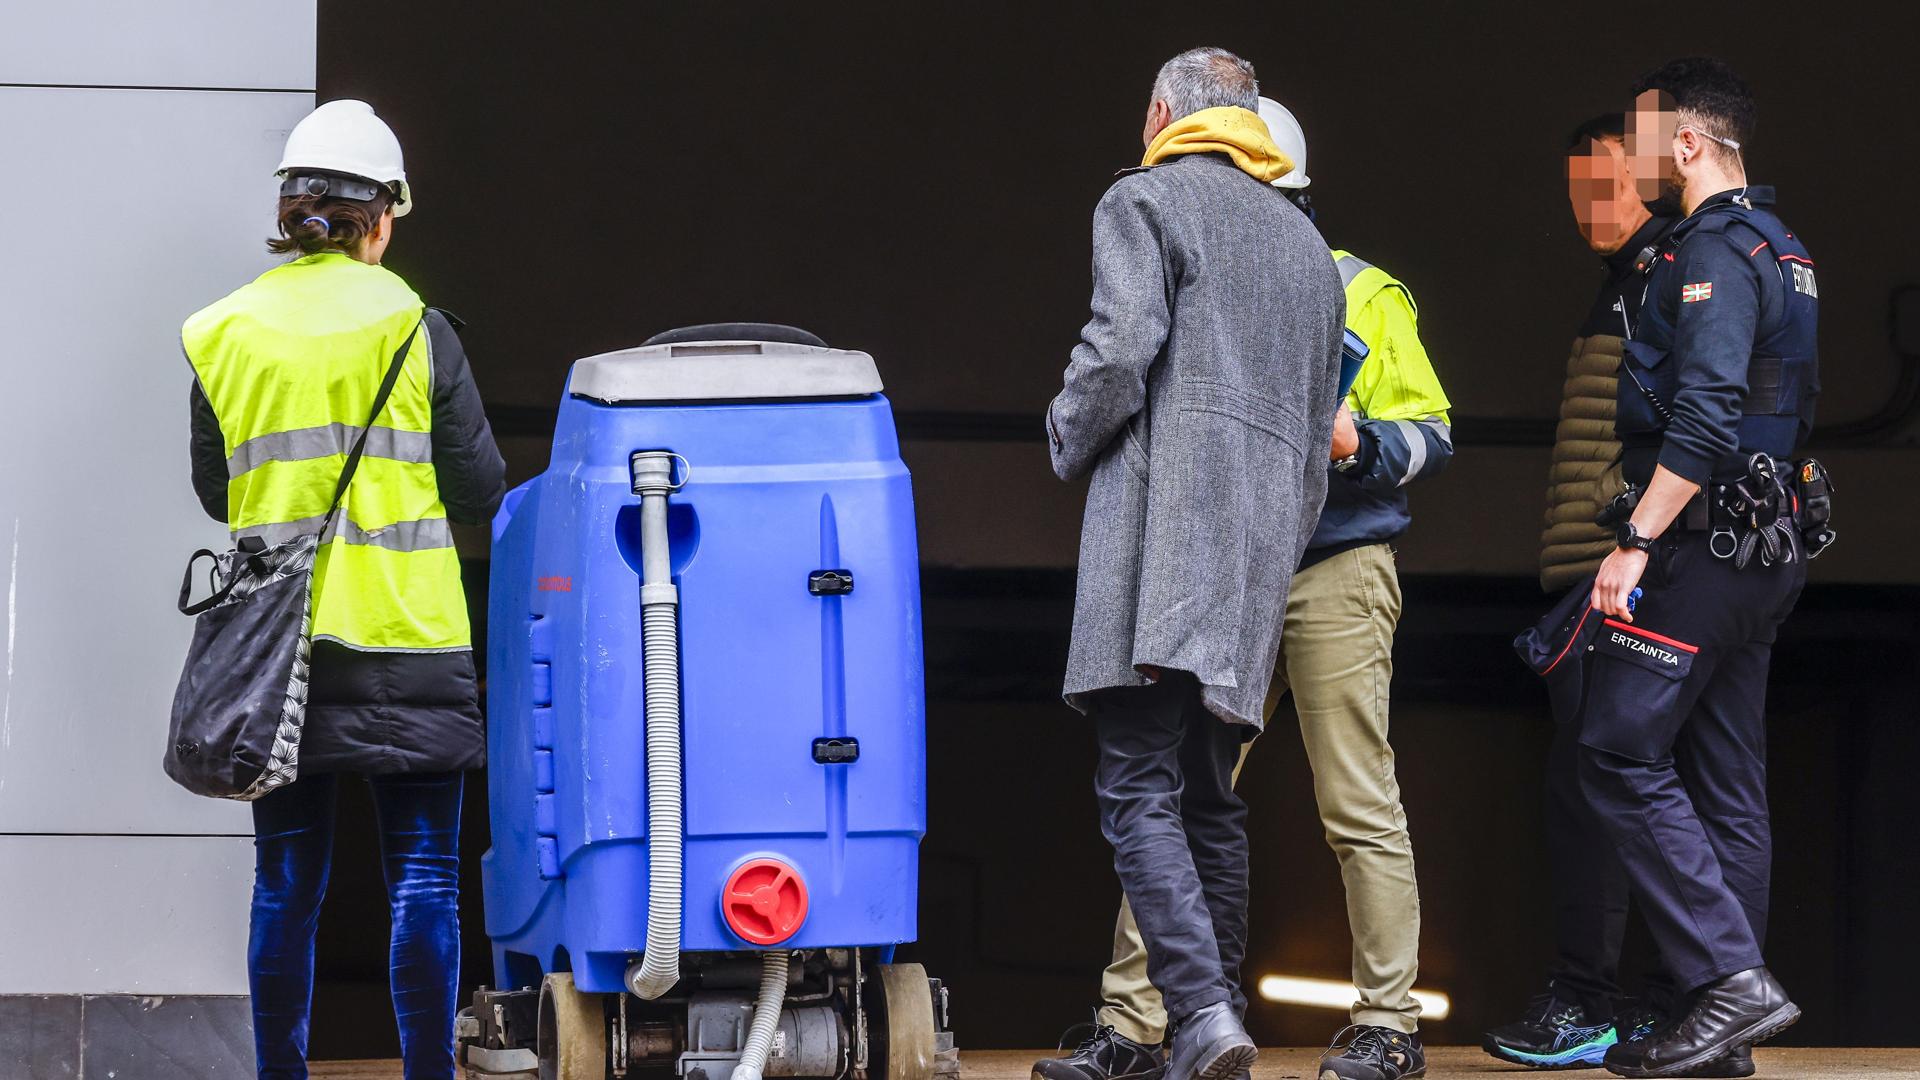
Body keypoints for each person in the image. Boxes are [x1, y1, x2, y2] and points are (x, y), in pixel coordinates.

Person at [1035, 95, 1449, 1080]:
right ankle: (1140, 1025)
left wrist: (1361, 445)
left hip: (1335, 566)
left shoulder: (1356, 287)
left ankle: (1388, 1021)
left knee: (1352, 794)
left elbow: (1434, 432)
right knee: (1184, 791)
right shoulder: (1213, 261)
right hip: (1235, 565)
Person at [182, 99, 506, 1080]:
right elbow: (480, 488)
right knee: (424, 883)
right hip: (411, 636)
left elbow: (214, 489)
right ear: (381, 218)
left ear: (292, 213)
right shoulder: (417, 326)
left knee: (285, 886)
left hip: (279, 653)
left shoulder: (222, 332)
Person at [1575, 59, 1817, 1078]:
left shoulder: (1715, 245)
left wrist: (1634, 543)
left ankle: (1726, 983)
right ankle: (1716, 1029)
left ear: (1686, 144)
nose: (1631, 161)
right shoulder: (1788, 247)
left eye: (1641, 140)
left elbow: (1708, 411)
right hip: (1768, 549)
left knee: (1617, 750)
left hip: (1704, 546)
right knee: (1726, 779)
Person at [1483, 116, 1733, 1074]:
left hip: (1618, 574)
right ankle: (1645, 998)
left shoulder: (1674, 268)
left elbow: (1683, 422)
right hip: (1594, 569)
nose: (1588, 206)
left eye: (1604, 183)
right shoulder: (1629, 275)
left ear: (1653, 177)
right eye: (1575, 188)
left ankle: (1604, 1000)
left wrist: (1625, 537)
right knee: (1605, 788)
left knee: (1600, 789)